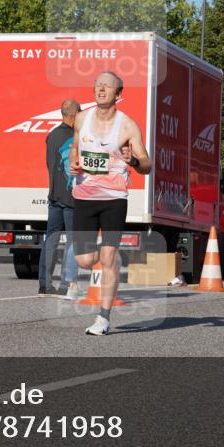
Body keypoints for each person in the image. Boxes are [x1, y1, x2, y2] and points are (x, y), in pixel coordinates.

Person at [70, 71, 151, 336]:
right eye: (97, 85)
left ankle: (103, 318)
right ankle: (106, 260)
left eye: (107, 86)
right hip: (84, 195)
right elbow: (75, 147)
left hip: (114, 198)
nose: (100, 89)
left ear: (119, 94)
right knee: (84, 260)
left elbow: (147, 165)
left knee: (107, 257)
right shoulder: (82, 118)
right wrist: (73, 162)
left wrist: (133, 161)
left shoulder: (127, 126)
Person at [38, 99, 81, 297]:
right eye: (79, 114)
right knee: (73, 242)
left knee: (51, 240)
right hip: (72, 197)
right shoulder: (76, 137)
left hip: (54, 194)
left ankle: (45, 285)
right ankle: (66, 284)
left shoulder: (52, 135)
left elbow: (49, 164)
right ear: (73, 115)